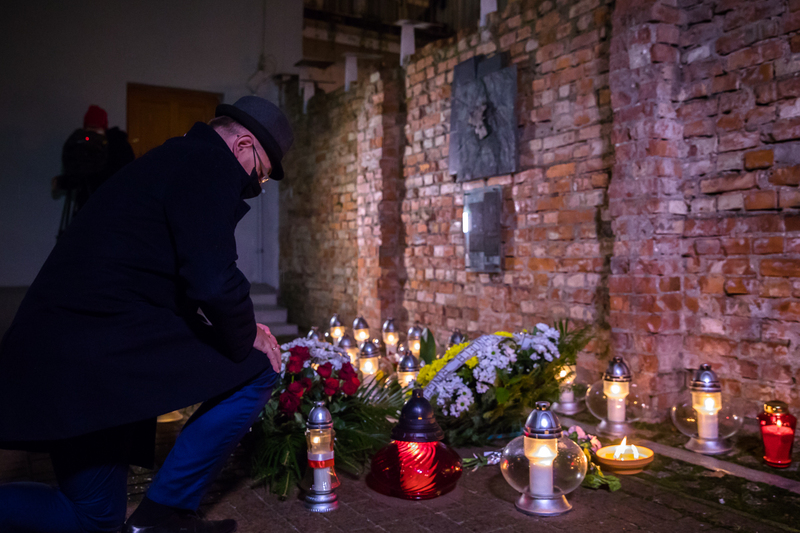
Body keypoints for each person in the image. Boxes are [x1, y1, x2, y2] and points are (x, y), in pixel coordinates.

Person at [0, 96, 293, 533]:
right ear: (242, 146)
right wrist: (247, 332)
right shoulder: (206, 163)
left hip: (78, 353)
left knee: (94, 518)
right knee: (259, 365)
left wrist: (238, 324)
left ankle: (156, 520)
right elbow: (212, 278)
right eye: (261, 174)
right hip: (90, 352)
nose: (256, 184)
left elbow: (176, 271)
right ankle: (163, 517)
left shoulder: (174, 158)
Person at [52, 105, 136, 235]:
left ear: (104, 128)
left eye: (95, 129)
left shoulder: (118, 145)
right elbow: (78, 175)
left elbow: (126, 177)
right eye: (89, 129)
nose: (92, 134)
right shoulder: (81, 144)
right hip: (87, 210)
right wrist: (63, 182)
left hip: (112, 212)